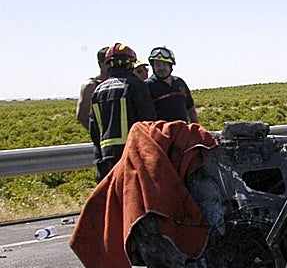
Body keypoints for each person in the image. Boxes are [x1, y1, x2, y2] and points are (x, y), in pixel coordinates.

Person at [89, 43, 156, 180]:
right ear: (130, 64)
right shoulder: (136, 85)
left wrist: (99, 160)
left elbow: (94, 130)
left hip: (106, 157)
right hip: (132, 155)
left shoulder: (98, 91)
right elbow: (148, 122)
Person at [146, 47, 199, 123]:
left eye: (164, 64)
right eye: (157, 64)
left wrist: (196, 129)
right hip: (161, 133)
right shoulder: (148, 86)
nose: (161, 68)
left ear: (170, 66)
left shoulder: (180, 83)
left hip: (183, 131)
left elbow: (190, 107)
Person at [76, 47, 110, 128]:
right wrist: (98, 134)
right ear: (100, 64)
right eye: (108, 63)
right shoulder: (91, 86)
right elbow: (82, 116)